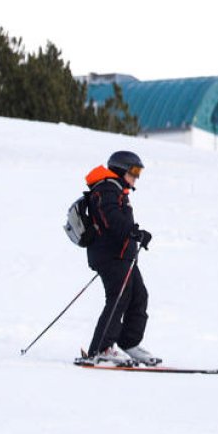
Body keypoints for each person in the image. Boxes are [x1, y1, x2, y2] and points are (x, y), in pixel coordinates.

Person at [84, 150, 159, 365]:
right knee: (119, 297)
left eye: (139, 171)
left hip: (122, 255)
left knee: (138, 296)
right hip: (110, 255)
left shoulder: (117, 190)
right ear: (120, 169)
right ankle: (101, 349)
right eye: (133, 171)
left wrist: (135, 235)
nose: (137, 176)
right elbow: (111, 219)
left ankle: (129, 343)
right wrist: (134, 232)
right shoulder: (106, 188)